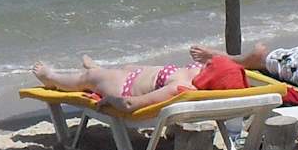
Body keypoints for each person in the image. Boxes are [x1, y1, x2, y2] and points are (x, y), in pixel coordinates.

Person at [31, 49, 251, 113]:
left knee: (87, 79)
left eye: (210, 66)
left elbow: (131, 104)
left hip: (124, 87)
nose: (207, 63)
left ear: (211, 76)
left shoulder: (180, 89)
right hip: (134, 75)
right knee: (123, 68)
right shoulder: (197, 79)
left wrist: (111, 100)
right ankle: (97, 69)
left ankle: (50, 77)